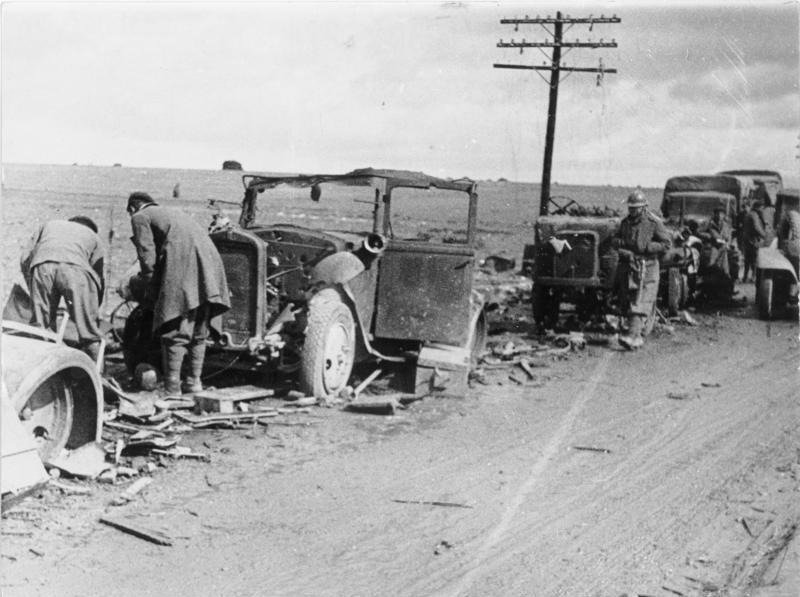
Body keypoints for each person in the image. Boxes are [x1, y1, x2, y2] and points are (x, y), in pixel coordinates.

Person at [127, 191, 230, 395]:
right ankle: (194, 382)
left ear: (132, 208)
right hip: (210, 264)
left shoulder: (140, 216)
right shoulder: (171, 212)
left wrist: (149, 285)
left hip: (184, 263)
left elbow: (147, 255)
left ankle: (172, 387)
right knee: (199, 330)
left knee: (174, 327)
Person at [20, 216, 105, 363]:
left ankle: (44, 368)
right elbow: (97, 277)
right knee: (89, 332)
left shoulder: (49, 224)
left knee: (41, 326)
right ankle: (97, 375)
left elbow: (24, 258)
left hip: (42, 266)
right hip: (76, 270)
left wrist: (33, 287)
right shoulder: (94, 237)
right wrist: (92, 310)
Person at [612, 189, 672, 350]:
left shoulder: (654, 223)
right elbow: (615, 240)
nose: (632, 211)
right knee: (628, 299)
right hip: (629, 267)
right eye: (630, 208)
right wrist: (624, 249)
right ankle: (639, 333)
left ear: (644, 207)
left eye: (635, 208)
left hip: (648, 267)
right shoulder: (625, 223)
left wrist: (648, 247)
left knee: (641, 300)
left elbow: (666, 243)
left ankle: (632, 336)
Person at [698, 206, 739, 288]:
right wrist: (709, 237)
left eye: (721, 214)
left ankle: (730, 279)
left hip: (724, 247)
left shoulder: (726, 225)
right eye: (718, 213)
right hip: (713, 246)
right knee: (711, 261)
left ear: (724, 215)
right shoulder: (709, 224)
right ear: (714, 214)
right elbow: (699, 232)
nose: (720, 216)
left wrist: (728, 241)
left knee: (734, 257)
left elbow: (729, 236)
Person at [741, 200, 767, 283]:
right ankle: (753, 277)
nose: (762, 210)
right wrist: (765, 236)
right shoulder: (754, 215)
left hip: (747, 240)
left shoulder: (749, 214)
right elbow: (757, 228)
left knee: (747, 260)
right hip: (752, 241)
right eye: (762, 208)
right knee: (754, 260)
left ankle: (745, 277)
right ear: (758, 207)